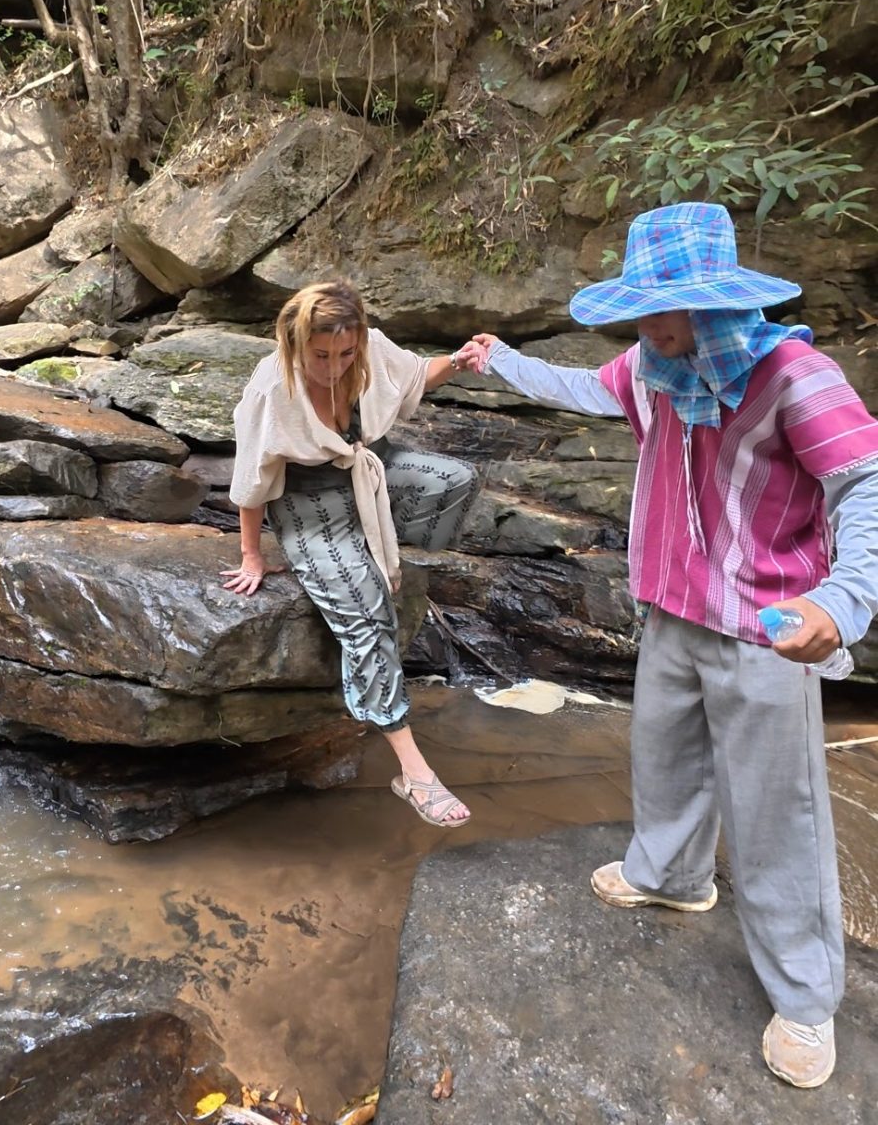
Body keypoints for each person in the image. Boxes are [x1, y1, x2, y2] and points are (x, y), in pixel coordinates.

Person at [456, 201, 878, 1087]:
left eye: (665, 305)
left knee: (779, 814)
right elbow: (577, 388)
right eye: (640, 305)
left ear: (717, 303)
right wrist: (501, 362)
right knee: (665, 758)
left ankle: (805, 1000)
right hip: (672, 610)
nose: (646, 322)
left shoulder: (795, 375)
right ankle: (673, 874)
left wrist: (845, 599)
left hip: (768, 628)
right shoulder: (652, 366)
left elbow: (866, 480)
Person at [226, 279, 478, 827]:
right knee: (367, 620)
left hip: (368, 470)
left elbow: (413, 373)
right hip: (306, 501)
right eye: (321, 355)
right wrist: (252, 556)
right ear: (294, 344)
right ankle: (414, 774)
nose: (335, 365)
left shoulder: (367, 349)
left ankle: (387, 554)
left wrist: (456, 362)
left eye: (346, 353)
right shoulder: (273, 389)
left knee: (454, 478)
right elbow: (251, 480)